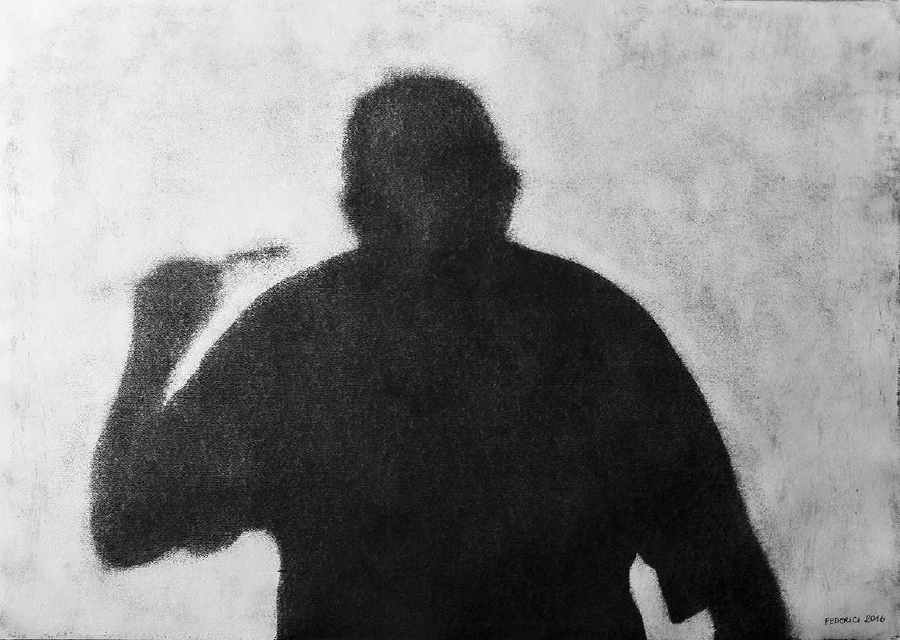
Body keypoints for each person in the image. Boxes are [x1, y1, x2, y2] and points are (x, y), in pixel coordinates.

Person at [90, 73, 789, 639]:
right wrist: (156, 346)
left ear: (357, 208)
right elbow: (125, 526)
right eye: (443, 172)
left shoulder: (297, 339)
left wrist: (157, 345)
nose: (481, 191)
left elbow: (127, 523)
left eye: (473, 170)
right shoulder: (596, 328)